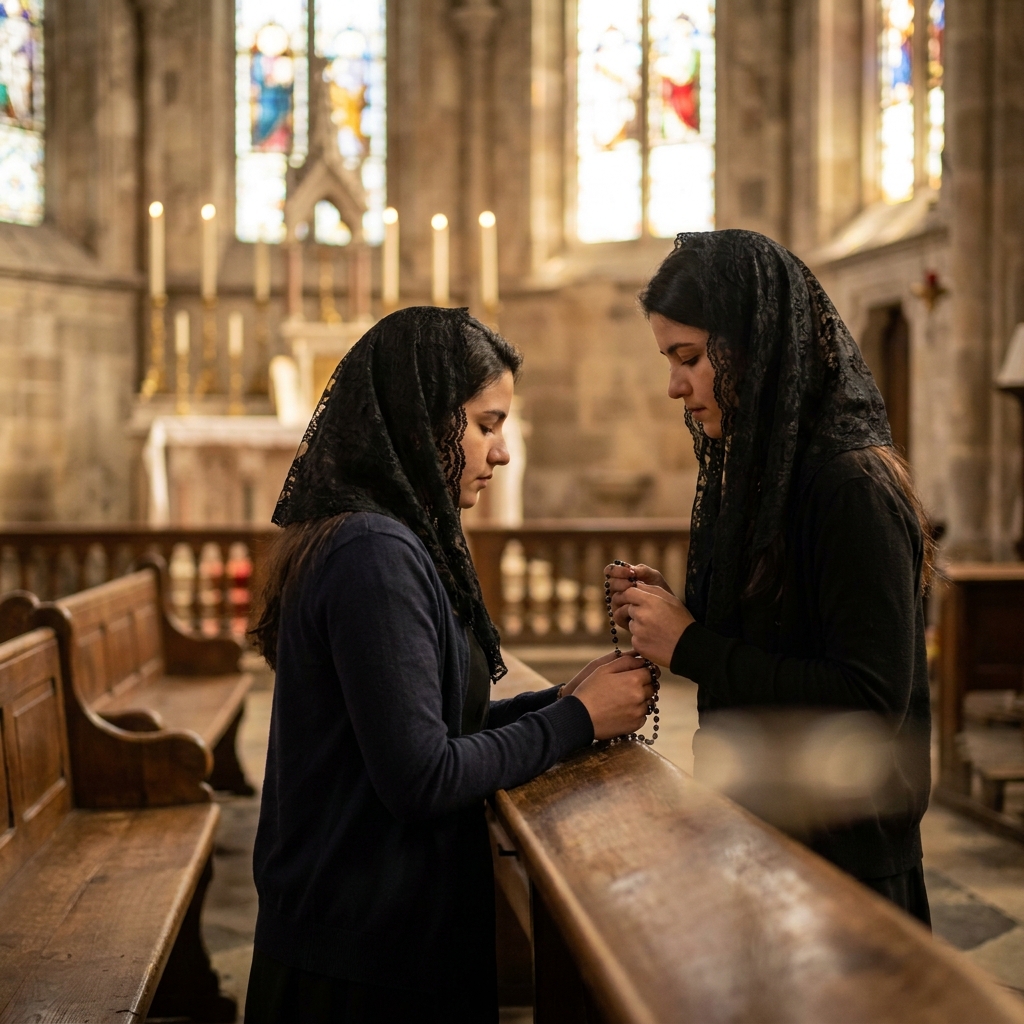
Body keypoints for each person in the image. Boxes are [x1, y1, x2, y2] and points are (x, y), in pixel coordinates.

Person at [245, 306, 656, 1023]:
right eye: (486, 425)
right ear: (422, 419)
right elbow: (422, 777)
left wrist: (564, 701)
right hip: (359, 963)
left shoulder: (385, 536)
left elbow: (428, 725)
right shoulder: (372, 553)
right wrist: (575, 720)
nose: (501, 453)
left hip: (383, 933)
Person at [608, 230, 933, 926]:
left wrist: (691, 644)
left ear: (755, 346)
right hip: (759, 829)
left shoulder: (849, 487)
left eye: (690, 358)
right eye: (670, 360)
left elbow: (870, 702)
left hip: (845, 864)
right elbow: (778, 642)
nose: (675, 386)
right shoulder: (760, 472)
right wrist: (668, 614)